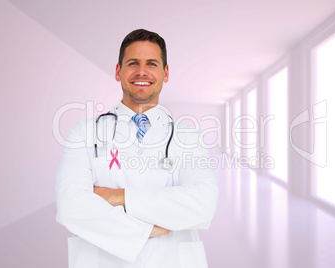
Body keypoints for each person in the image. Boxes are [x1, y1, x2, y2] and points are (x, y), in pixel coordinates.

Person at [56, 29, 219, 268]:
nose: (141, 72)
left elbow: (204, 204)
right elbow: (71, 205)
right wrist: (147, 230)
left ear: (165, 73)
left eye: (151, 63)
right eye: (133, 63)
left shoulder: (189, 136)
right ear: (118, 71)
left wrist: (115, 197)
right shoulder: (83, 133)